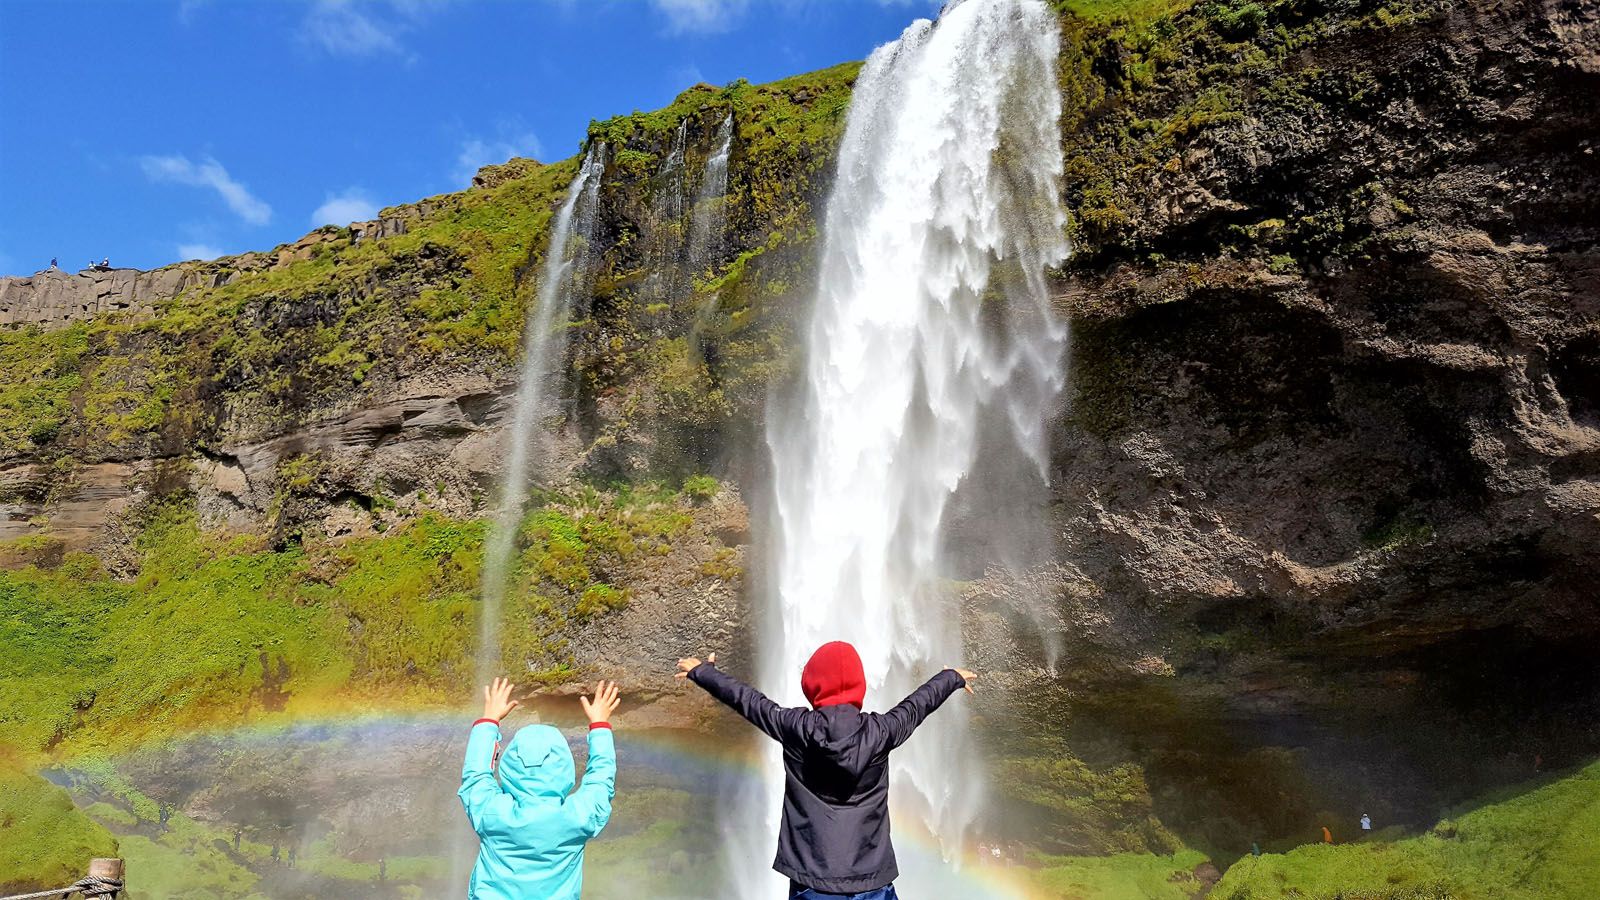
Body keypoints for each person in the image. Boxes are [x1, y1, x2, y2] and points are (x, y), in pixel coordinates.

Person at [678, 641, 977, 900]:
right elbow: (915, 707)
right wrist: (949, 678)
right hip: (871, 880)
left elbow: (750, 702)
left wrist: (703, 673)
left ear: (812, 685)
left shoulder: (794, 728)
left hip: (813, 880)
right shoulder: (880, 731)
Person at [459, 676, 620, 900]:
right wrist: (600, 725)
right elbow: (601, 779)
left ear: (510, 766)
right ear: (564, 766)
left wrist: (489, 720)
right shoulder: (577, 817)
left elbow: (475, 776)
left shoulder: (492, 812)